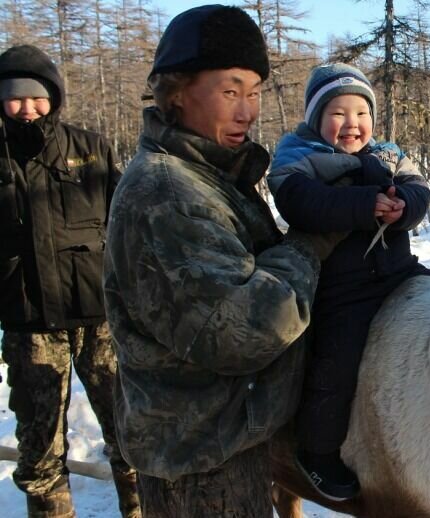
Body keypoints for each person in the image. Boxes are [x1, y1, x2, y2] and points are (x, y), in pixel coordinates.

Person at [103, 5, 328, 516]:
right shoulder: (166, 193)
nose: (247, 111)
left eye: (253, 93)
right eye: (230, 92)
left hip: (224, 438)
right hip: (197, 462)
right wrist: (310, 247)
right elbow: (245, 331)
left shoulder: (210, 176)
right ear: (176, 91)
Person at [267, 62, 430, 501]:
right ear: (316, 119)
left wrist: (405, 208)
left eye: (361, 113)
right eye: (338, 113)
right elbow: (299, 202)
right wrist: (363, 204)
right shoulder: (297, 155)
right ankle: (317, 451)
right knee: (335, 366)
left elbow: (420, 189)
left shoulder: (388, 154)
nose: (351, 124)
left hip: (398, 273)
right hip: (343, 289)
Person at [0, 44, 140, 518]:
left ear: (54, 98)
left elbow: (126, 224)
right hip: (28, 325)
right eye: (14, 97)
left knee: (129, 434)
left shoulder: (90, 149)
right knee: (39, 448)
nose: (26, 107)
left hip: (99, 318)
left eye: (36, 97)